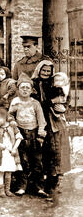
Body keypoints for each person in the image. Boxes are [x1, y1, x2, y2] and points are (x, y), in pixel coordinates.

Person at [31, 61, 71, 199]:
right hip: (37, 120)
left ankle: (52, 183)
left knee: (54, 151)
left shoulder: (54, 85)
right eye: (44, 71)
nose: (46, 74)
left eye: (48, 72)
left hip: (53, 122)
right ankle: (36, 184)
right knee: (38, 153)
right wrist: (51, 102)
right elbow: (39, 102)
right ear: (39, 70)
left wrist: (63, 107)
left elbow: (64, 100)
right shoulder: (33, 84)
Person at [8, 73, 48, 197]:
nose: (25, 90)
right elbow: (9, 115)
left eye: (27, 88)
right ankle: (22, 186)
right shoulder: (15, 102)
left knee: (37, 161)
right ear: (18, 89)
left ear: (32, 90)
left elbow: (41, 119)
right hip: (21, 134)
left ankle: (39, 187)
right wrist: (12, 121)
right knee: (22, 161)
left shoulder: (35, 103)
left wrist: (41, 131)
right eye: (22, 87)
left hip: (34, 134)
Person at [0, 106, 23, 198]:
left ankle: (8, 189)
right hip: (1, 154)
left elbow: (19, 137)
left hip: (10, 153)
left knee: (9, 171)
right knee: (1, 171)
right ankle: (1, 190)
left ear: (5, 117)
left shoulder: (12, 127)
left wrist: (14, 148)